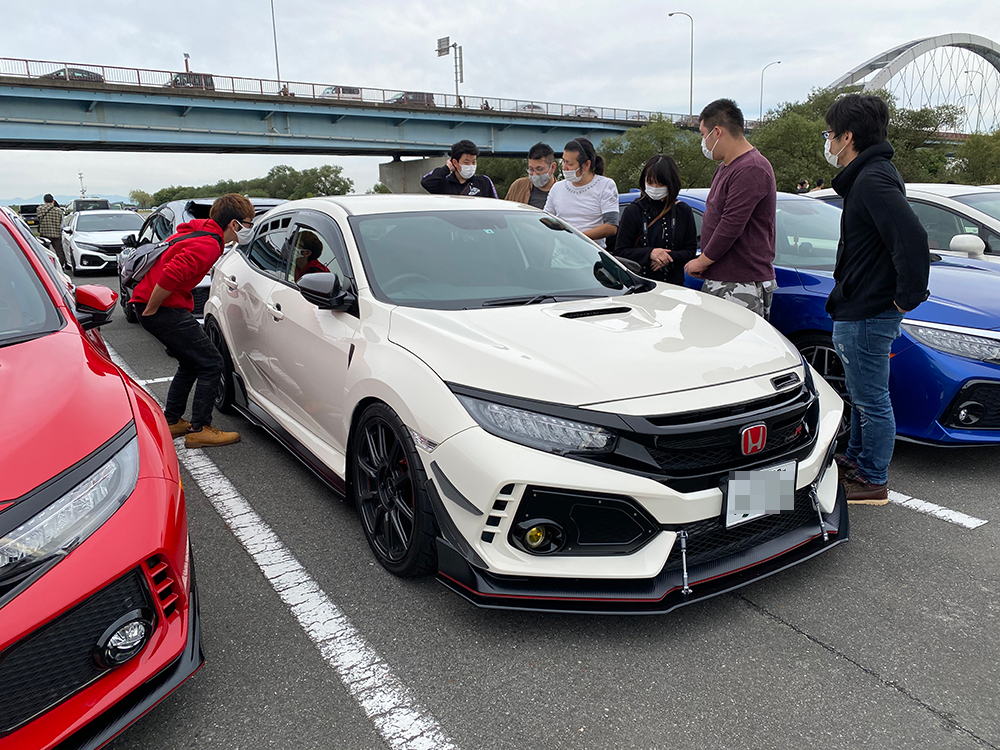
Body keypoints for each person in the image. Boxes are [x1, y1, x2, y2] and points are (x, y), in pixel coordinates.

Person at [823, 94, 929, 504]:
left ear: (848, 136)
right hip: (860, 306)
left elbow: (912, 239)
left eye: (831, 134)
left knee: (871, 398)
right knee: (864, 394)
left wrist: (907, 298)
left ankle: (872, 479)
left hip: (868, 310)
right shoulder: (870, 175)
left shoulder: (872, 178)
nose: (828, 143)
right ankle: (858, 459)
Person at [130, 193, 256, 449]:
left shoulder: (199, 230)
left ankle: (172, 419)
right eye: (248, 222)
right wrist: (152, 310)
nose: (250, 228)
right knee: (212, 363)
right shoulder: (209, 244)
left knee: (190, 363)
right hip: (161, 307)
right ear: (234, 224)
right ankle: (201, 428)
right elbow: (171, 274)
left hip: (154, 304)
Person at [685, 99, 777, 319]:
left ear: (717, 132)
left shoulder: (751, 168)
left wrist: (701, 261)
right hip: (724, 278)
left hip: (741, 283)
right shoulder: (726, 167)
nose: (703, 142)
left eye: (702, 134)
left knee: (737, 350)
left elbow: (731, 224)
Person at [613, 154, 697, 286]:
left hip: (674, 285)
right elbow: (620, 251)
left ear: (671, 183)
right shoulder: (634, 210)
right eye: (650, 182)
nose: (655, 187)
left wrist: (667, 258)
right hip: (640, 285)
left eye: (661, 183)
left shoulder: (683, 210)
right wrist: (650, 253)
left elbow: (690, 250)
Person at [543, 137, 618, 247]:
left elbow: (611, 226)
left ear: (586, 165)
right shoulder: (557, 188)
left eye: (569, 163)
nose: (564, 167)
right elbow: (546, 220)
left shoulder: (606, 185)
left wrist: (577, 237)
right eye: (563, 161)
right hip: (559, 257)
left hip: (592, 256)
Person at [420, 140, 498, 197]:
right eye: (466, 162)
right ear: (455, 162)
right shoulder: (445, 183)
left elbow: (495, 205)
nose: (471, 165)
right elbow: (426, 182)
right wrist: (447, 168)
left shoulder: (484, 181)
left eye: (474, 162)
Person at [504, 142, 557, 209]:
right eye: (531, 169)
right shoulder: (518, 186)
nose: (534, 174)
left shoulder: (561, 192)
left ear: (552, 167)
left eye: (539, 169)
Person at [36, 194, 68, 271]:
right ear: (53, 200)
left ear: (44, 201)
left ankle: (47, 267)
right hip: (56, 233)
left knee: (45, 251)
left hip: (44, 233)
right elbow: (61, 222)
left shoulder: (40, 209)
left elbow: (38, 218)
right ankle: (61, 266)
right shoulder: (58, 210)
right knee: (59, 251)